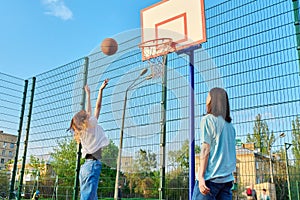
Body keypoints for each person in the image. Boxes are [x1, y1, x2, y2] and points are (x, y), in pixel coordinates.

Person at [192, 87, 236, 200]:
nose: (206, 98)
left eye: (208, 96)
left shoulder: (208, 120)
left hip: (210, 180)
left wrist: (201, 177)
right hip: (226, 181)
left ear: (213, 100)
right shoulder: (230, 126)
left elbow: (206, 149)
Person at [69, 79, 109, 200]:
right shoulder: (89, 127)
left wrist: (99, 91)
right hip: (92, 165)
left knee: (91, 197)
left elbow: (97, 108)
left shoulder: (85, 130)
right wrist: (90, 93)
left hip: (88, 166)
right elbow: (94, 109)